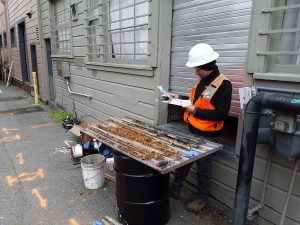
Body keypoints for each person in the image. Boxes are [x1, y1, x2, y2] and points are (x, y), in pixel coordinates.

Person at [169, 43, 232, 213]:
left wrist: (195, 111)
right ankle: (175, 189)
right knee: (183, 162)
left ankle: (202, 199)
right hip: (193, 130)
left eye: (198, 69)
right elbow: (196, 102)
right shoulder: (203, 80)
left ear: (207, 67)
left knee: (204, 169)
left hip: (208, 135)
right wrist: (178, 98)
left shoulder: (224, 85)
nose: (195, 72)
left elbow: (221, 114)